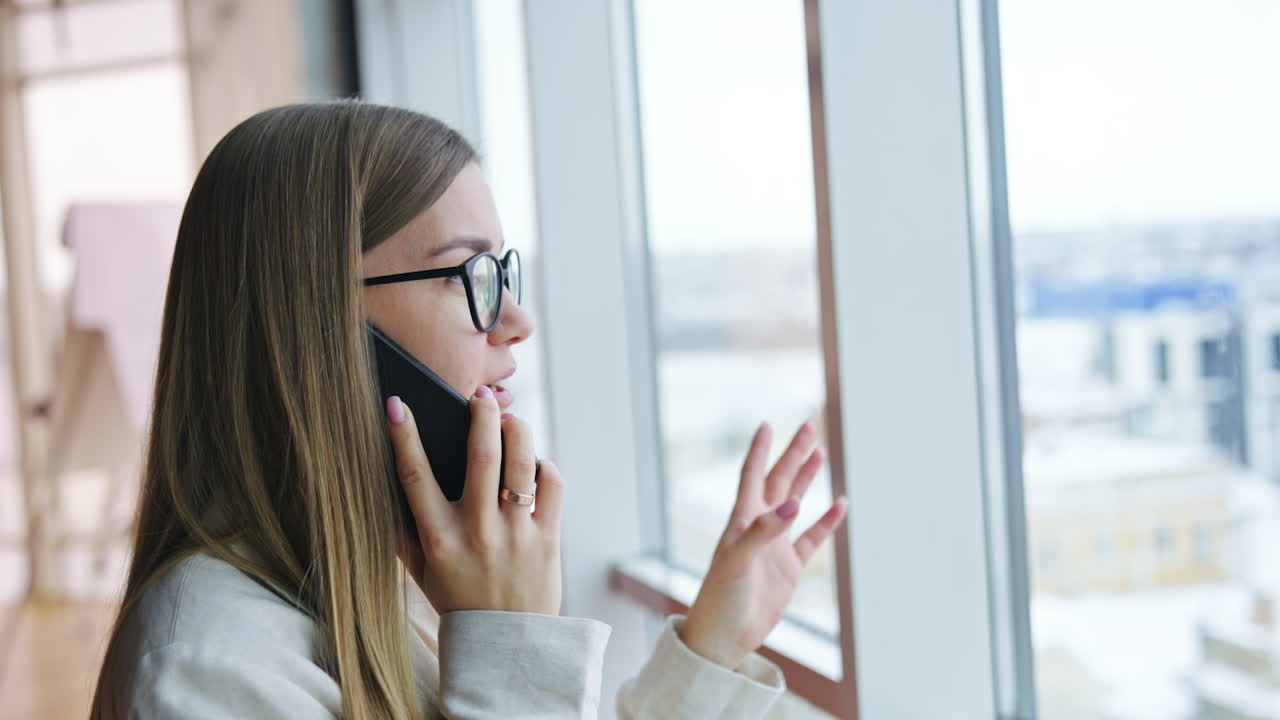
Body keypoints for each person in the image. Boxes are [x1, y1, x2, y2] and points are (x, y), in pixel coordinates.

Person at [89, 101, 849, 719]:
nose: (516, 319)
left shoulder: (384, 573)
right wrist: (511, 646)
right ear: (310, 321)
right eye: (470, 273)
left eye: (503, 270)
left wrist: (710, 651)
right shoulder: (207, 668)